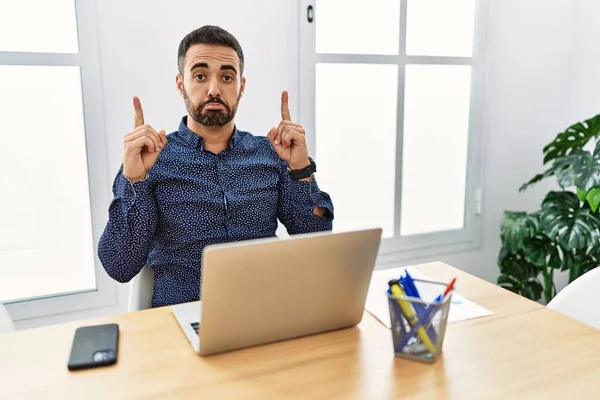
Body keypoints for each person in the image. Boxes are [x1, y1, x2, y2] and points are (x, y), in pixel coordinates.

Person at [98, 25, 334, 307]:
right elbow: (119, 266)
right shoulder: (151, 160)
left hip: (265, 311)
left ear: (241, 87)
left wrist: (301, 170)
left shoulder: (272, 154)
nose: (214, 89)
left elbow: (317, 245)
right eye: (200, 76)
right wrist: (133, 180)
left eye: (226, 77)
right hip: (183, 315)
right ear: (180, 84)